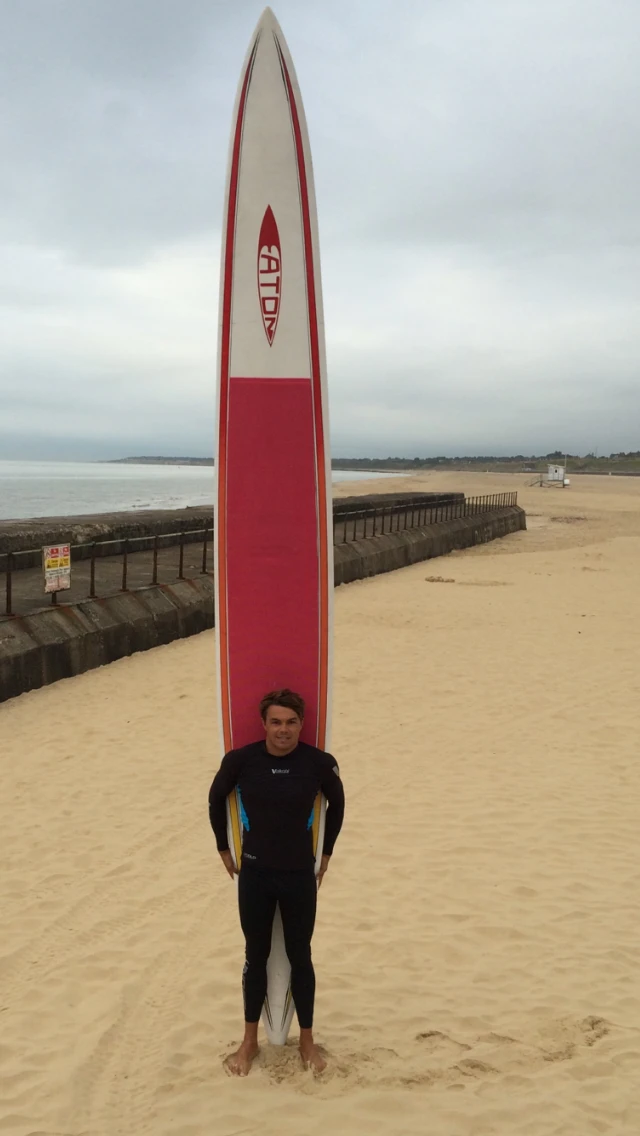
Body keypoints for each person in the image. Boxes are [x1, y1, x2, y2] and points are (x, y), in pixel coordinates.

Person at [208, 687, 345, 1076]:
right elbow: (216, 799)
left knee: (301, 955)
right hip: (255, 873)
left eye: (291, 722)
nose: (283, 730)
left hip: (300, 874)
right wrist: (223, 848)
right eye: (276, 722)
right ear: (264, 723)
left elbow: (338, 803)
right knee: (257, 956)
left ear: (301, 723)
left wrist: (327, 852)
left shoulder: (319, 763)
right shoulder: (241, 760)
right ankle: (250, 1041)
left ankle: (306, 1041)